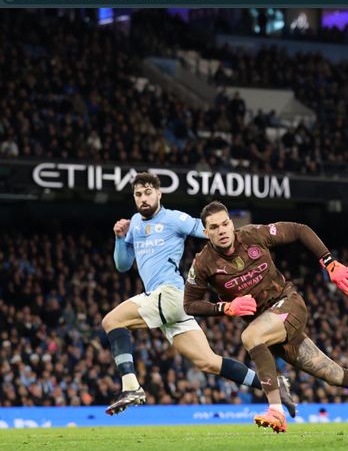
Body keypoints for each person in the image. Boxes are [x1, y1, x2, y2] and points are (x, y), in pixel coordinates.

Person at [183, 201, 348, 433]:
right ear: (206, 232)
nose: (222, 230)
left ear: (231, 223)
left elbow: (300, 230)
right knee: (333, 375)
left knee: (250, 336)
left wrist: (330, 263)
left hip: (288, 304)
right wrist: (224, 308)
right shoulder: (203, 263)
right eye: (214, 227)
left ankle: (275, 410)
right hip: (270, 329)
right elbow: (189, 305)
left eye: (225, 223)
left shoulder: (253, 235)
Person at [103, 172, 295, 416]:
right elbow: (122, 264)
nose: (144, 198)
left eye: (148, 193)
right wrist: (120, 239)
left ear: (159, 194)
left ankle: (131, 387)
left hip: (168, 293)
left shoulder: (174, 219)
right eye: (138, 194)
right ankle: (274, 385)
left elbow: (206, 230)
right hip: (168, 302)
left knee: (111, 321)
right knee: (208, 362)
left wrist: (235, 247)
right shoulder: (135, 223)